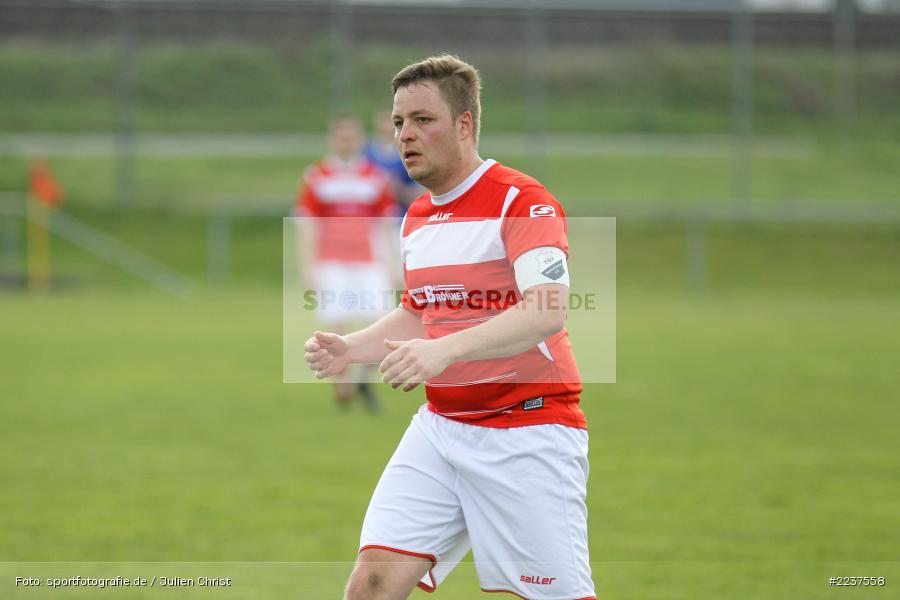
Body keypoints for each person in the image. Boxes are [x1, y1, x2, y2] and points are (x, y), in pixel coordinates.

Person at [304, 55, 595, 600]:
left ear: (464, 124)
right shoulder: (416, 217)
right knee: (369, 585)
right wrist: (351, 347)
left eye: (422, 120)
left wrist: (444, 352)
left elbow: (546, 310)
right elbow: (419, 312)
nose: (405, 135)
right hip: (441, 429)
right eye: (397, 123)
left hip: (527, 433)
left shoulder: (521, 202)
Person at [296, 113, 398, 412]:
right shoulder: (317, 176)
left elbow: (386, 225)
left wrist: (392, 264)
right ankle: (342, 390)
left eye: (351, 136)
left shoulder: (375, 177)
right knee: (336, 329)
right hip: (332, 263)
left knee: (383, 327)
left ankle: (360, 381)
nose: (346, 141)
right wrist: (308, 265)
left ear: (359, 139)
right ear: (332, 139)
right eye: (340, 135)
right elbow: (307, 225)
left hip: (368, 262)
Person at [363, 108, 423, 214]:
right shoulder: (367, 152)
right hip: (375, 219)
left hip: (403, 215)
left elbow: (421, 195)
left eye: (391, 121)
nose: (387, 126)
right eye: (383, 120)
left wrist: (398, 189)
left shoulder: (410, 151)